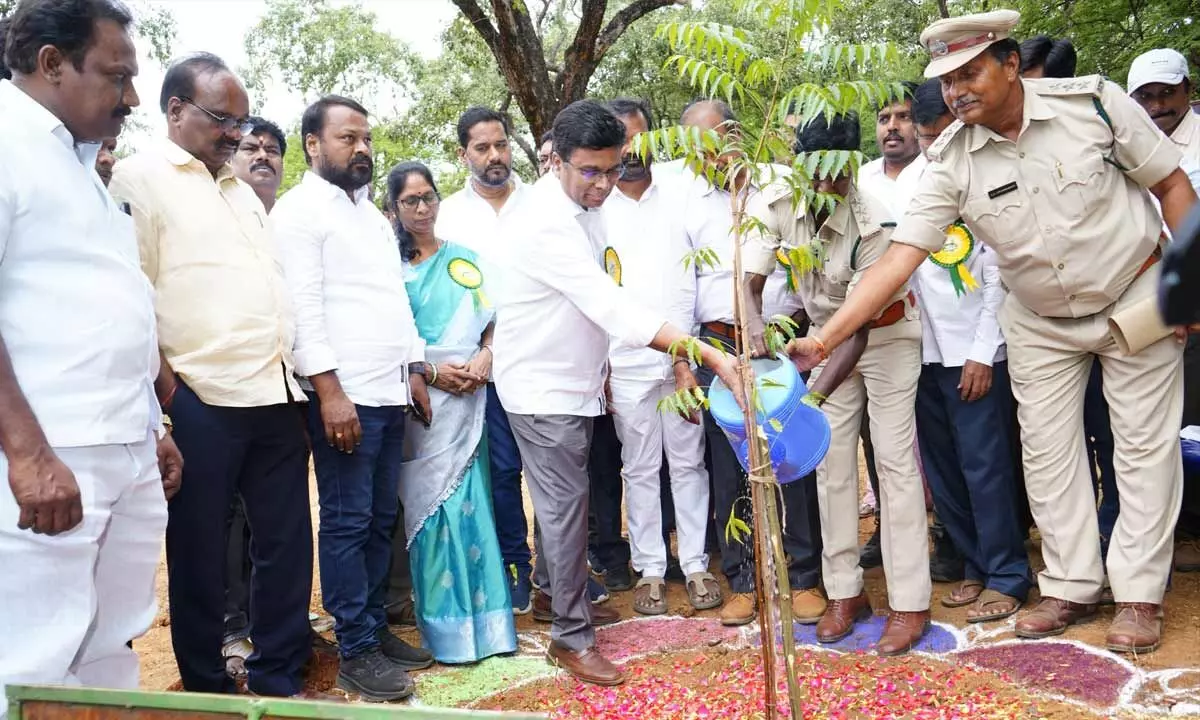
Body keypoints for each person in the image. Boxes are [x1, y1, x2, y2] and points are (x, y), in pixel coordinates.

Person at [787, 9, 1198, 654]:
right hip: (1039, 318)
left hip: (1134, 292)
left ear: (1010, 65)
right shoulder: (950, 159)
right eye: (946, 82)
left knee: (1143, 449)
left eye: (969, 73)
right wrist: (828, 336)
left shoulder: (1093, 104)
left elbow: (1172, 183)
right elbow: (902, 256)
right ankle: (1068, 585)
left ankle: (1140, 597)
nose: (956, 92)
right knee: (1046, 454)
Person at [494, 99, 743, 685]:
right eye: (591, 171)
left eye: (613, 169)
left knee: (571, 505)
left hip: (577, 381)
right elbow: (609, 304)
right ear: (555, 161)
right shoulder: (543, 222)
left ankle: (561, 600)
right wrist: (702, 352)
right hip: (543, 389)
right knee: (564, 511)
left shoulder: (587, 208)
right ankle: (571, 639)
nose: (605, 183)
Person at [108, 52, 314, 697]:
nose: (236, 134)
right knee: (197, 552)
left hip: (277, 393)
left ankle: (279, 674)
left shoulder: (241, 193)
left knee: (285, 544)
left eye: (242, 121)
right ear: (175, 110)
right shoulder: (138, 180)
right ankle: (205, 688)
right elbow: (130, 296)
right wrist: (171, 393)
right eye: (222, 119)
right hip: (201, 398)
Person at [0, 0, 175, 709]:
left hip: (120, 447)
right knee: (33, 654)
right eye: (117, 76)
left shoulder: (79, 164)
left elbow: (106, 311)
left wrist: (151, 433)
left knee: (109, 644)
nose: (132, 97)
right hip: (50, 456)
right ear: (51, 64)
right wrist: (28, 454)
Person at [744, 112, 932, 656]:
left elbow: (860, 328)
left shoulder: (877, 221)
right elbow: (752, 285)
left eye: (838, 175)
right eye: (815, 174)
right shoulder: (778, 202)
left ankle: (909, 602)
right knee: (831, 468)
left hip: (884, 338)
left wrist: (814, 395)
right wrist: (755, 331)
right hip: (822, 342)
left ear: (853, 165)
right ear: (799, 165)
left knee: (895, 466)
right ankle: (845, 594)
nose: (826, 187)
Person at [273, 95, 435, 701]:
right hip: (342, 396)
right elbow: (303, 311)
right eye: (347, 138)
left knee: (378, 518)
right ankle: (356, 650)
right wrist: (330, 393)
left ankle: (373, 631)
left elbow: (393, 302)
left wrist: (414, 368)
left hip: (388, 390)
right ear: (314, 145)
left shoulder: (370, 216)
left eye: (366, 138)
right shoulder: (299, 213)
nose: (362, 148)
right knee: (346, 521)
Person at [681, 99, 825, 629]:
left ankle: (805, 577)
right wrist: (686, 361)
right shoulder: (688, 202)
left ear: (737, 134)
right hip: (718, 350)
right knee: (730, 470)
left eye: (713, 143)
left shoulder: (786, 185)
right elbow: (682, 286)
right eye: (694, 149)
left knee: (792, 463)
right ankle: (743, 581)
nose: (707, 158)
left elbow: (814, 264)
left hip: (783, 346)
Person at [906, 78, 1032, 622]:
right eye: (926, 134)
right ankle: (977, 567)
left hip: (976, 353)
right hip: (921, 354)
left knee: (987, 468)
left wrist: (984, 350)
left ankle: (1008, 573)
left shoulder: (986, 171)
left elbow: (1000, 272)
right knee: (945, 471)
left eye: (943, 134)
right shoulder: (910, 182)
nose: (935, 146)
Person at [387, 161, 518, 664]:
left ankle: (489, 624)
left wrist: (487, 353)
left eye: (428, 197)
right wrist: (431, 373)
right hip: (423, 402)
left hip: (472, 397)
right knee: (430, 506)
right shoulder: (391, 268)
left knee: (472, 501)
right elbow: (393, 335)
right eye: (410, 201)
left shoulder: (465, 259)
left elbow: (493, 317)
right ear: (395, 209)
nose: (422, 208)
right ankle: (447, 631)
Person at [600, 98, 719, 615]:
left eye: (639, 137)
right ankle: (650, 569)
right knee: (639, 467)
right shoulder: (596, 205)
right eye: (621, 140)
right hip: (623, 361)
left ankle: (694, 565)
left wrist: (683, 355)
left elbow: (687, 280)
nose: (631, 150)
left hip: (684, 356)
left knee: (689, 462)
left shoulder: (682, 187)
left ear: (655, 138)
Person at [1018, 35, 1119, 571]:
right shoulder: (1003, 143)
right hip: (1046, 327)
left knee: (1118, 441)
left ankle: (1117, 547)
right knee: (1056, 448)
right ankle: (1075, 567)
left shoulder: (1099, 125)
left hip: (1120, 316)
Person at [856, 83, 963, 582]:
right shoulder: (857, 182)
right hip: (882, 336)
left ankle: (949, 537)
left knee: (947, 447)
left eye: (902, 117)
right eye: (883, 118)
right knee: (886, 445)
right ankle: (887, 531)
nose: (892, 127)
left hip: (943, 331)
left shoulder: (941, 171)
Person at [433, 107, 535, 613]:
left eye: (501, 144)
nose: (495, 156)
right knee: (501, 470)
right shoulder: (447, 215)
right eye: (482, 147)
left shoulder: (542, 205)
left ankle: (569, 568)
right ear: (463, 154)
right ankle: (516, 566)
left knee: (556, 469)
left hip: (542, 359)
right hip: (480, 369)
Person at [215, 113, 287, 677]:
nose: (262, 156)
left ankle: (272, 627)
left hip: (287, 391)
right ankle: (232, 630)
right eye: (251, 147)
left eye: (272, 149)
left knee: (276, 521)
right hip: (221, 393)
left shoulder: (286, 223)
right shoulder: (218, 215)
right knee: (228, 519)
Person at [1128, 49, 1200, 574]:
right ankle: (1169, 530)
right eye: (1145, 97)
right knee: (1157, 426)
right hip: (1143, 305)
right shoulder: (1126, 144)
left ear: (1187, 91)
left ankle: (1192, 528)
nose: (1156, 106)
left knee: (1193, 419)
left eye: (1165, 93)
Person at [231, 116, 286, 212]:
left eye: (272, 151)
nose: (263, 156)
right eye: (250, 149)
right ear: (229, 160)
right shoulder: (213, 210)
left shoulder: (296, 217)